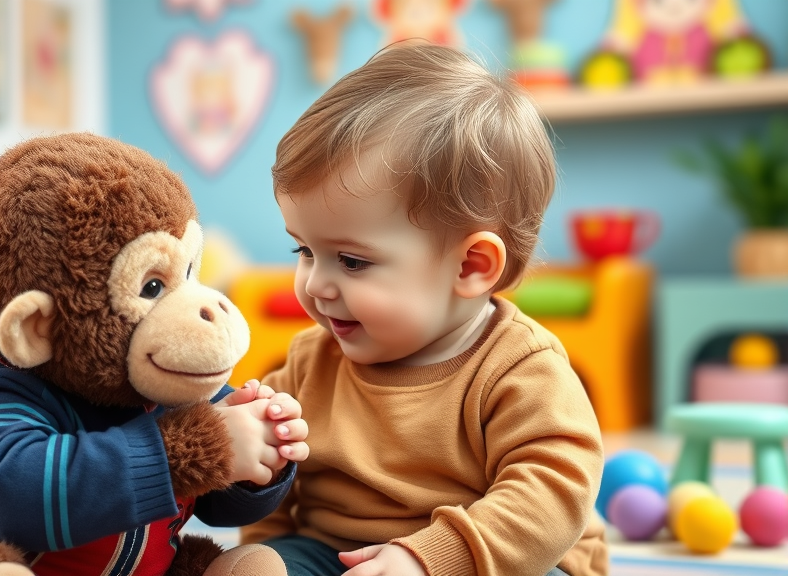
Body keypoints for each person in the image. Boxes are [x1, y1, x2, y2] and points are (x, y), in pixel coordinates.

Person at [241, 41, 607, 576]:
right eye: (303, 250)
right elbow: (276, 497)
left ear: (470, 266)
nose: (316, 283)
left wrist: (429, 558)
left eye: (351, 260)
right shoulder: (306, 364)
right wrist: (255, 461)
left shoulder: (520, 368)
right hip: (335, 550)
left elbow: (553, 492)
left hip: (493, 558)